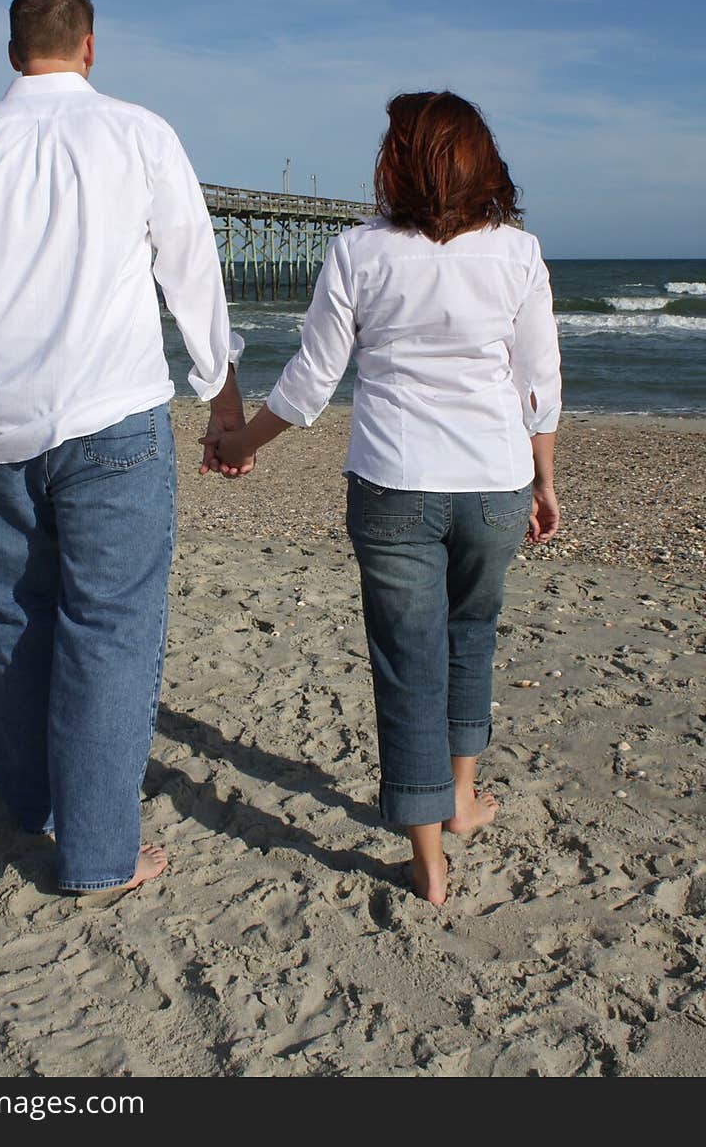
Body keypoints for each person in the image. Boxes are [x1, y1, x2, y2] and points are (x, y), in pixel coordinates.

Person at [0, 0, 249, 895]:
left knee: (13, 618)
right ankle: (96, 853)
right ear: (90, 46)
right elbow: (191, 270)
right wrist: (222, 394)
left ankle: (30, 801)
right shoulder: (138, 132)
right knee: (109, 633)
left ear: (13, 51)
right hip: (111, 417)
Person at [210, 91, 561, 906]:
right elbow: (537, 385)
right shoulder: (519, 253)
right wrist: (546, 480)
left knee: (407, 668)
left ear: (398, 163)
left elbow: (310, 384)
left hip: (394, 483)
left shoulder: (360, 252)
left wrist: (239, 445)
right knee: (471, 634)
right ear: (481, 161)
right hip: (495, 483)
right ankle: (464, 798)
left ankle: (428, 860)